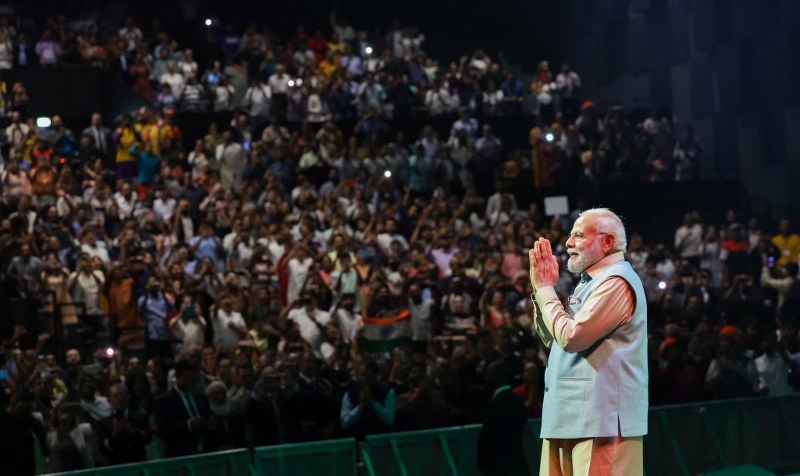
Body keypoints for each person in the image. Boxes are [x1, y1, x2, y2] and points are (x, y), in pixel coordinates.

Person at [529, 208, 647, 475]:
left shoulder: (617, 280)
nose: (568, 243)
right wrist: (539, 290)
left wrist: (547, 289)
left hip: (601, 424)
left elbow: (572, 338)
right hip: (569, 419)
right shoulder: (586, 284)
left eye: (579, 236)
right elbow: (553, 338)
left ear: (607, 242)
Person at [476, 360, 530, 476]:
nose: (486, 379)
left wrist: (483, 464)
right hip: (519, 466)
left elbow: (487, 440)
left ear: (495, 378)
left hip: (499, 469)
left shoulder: (494, 406)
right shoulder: (518, 402)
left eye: (488, 376)